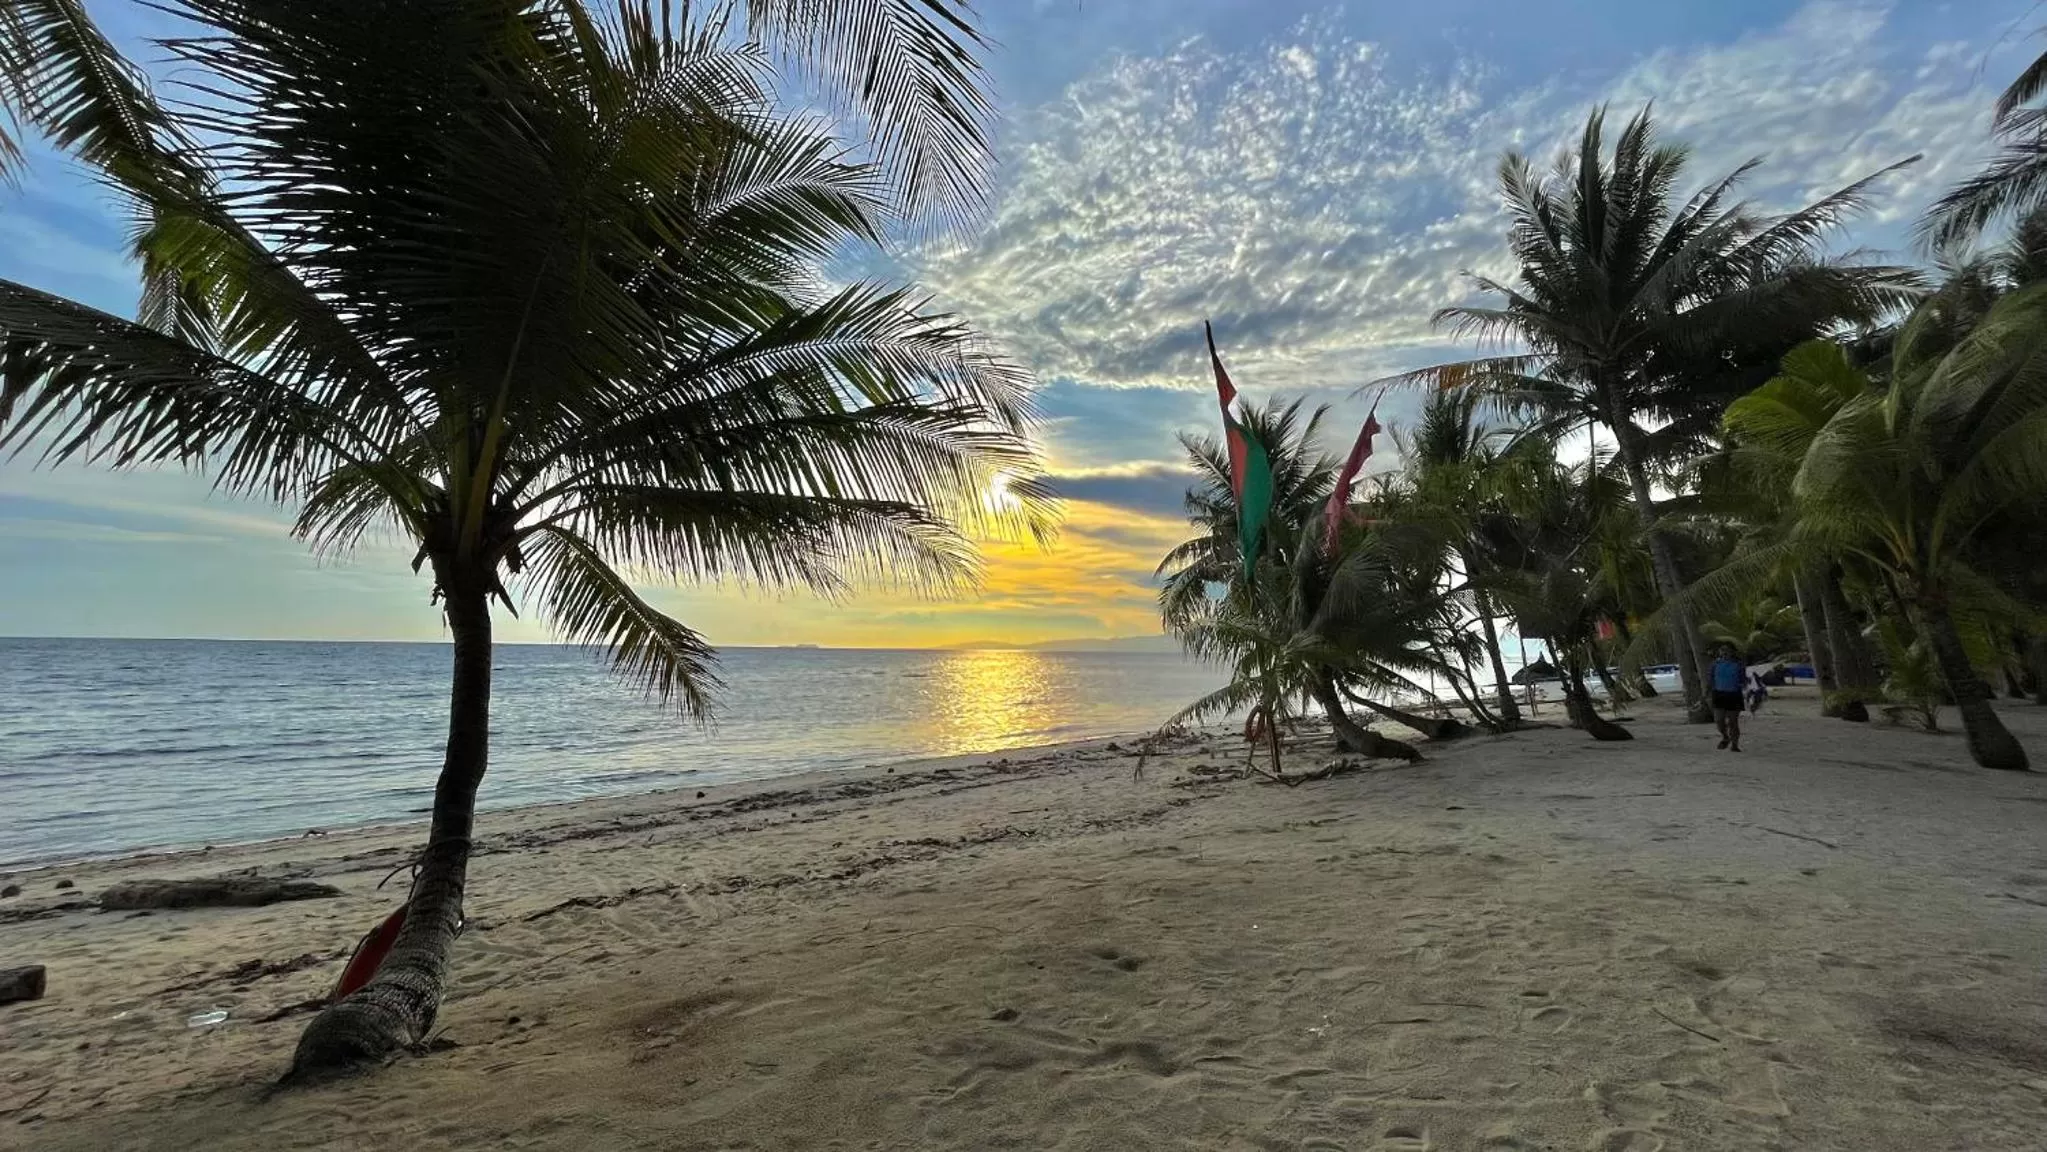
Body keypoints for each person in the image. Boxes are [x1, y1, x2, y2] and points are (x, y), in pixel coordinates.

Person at [1710, 644, 1746, 751]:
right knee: (1719, 720)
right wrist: (1708, 692)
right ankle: (1725, 737)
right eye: (1722, 650)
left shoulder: (1739, 664)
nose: (1724, 652)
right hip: (1719, 694)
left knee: (1733, 721)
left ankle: (1735, 745)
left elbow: (1743, 679)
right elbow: (1710, 678)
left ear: (1732, 652)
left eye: (1727, 650)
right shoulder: (1715, 664)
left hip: (1734, 695)